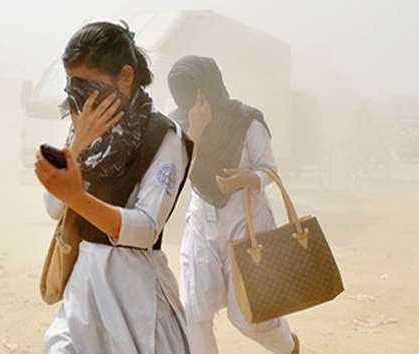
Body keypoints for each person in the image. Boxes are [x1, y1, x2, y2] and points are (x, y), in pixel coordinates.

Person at [35, 21, 194, 354]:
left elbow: (145, 230)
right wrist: (78, 146)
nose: (82, 101)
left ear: (125, 77)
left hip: (136, 295)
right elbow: (54, 208)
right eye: (74, 88)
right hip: (84, 289)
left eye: (90, 87)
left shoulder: (164, 137)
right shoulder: (83, 131)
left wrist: (77, 197)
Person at [167, 55, 300, 354]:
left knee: (248, 317)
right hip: (201, 223)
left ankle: (288, 346)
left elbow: (269, 170)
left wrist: (246, 179)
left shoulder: (246, 121)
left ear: (208, 90)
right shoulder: (178, 126)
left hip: (247, 225)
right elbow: (176, 173)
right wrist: (196, 132)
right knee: (193, 310)